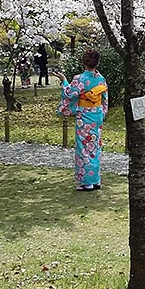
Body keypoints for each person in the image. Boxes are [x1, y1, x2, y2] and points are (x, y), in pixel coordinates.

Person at [54, 49, 108, 191]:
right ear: (97, 63)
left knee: (84, 147)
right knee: (95, 147)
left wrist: (64, 80)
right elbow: (104, 99)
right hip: (97, 114)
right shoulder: (101, 79)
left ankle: (87, 182)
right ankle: (96, 180)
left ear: (84, 62)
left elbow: (69, 94)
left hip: (85, 116)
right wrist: (102, 113)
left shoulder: (80, 79)